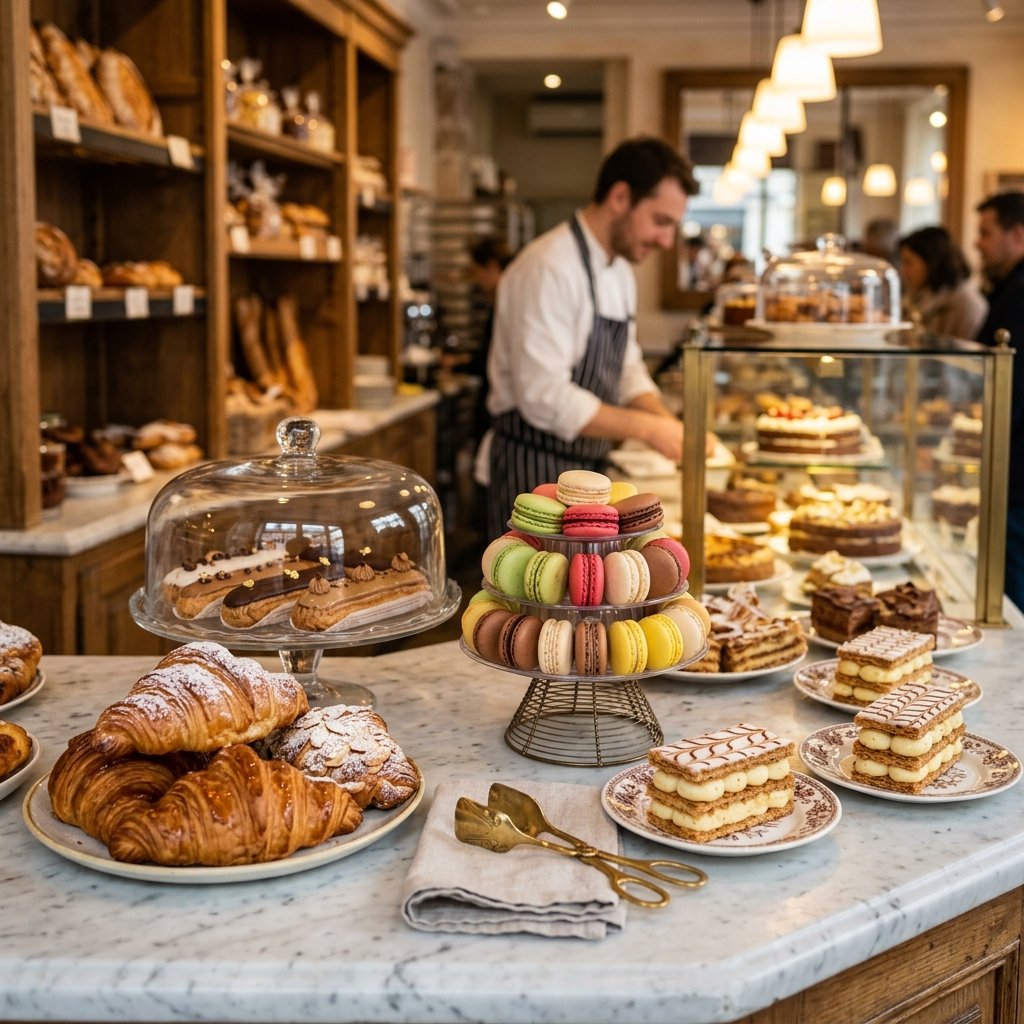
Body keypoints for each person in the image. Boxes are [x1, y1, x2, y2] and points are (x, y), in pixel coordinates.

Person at [485, 136, 699, 536]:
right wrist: (649, 429)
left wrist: (670, 423)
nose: (667, 241)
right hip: (533, 474)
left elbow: (627, 369)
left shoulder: (619, 270)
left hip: (588, 476)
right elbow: (544, 396)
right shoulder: (548, 267)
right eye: (661, 221)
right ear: (620, 197)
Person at [974, 191, 1024, 610]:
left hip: (1016, 457)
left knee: (1013, 566)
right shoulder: (1007, 286)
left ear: (1018, 235)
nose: (977, 243)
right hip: (1008, 449)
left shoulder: (1018, 293)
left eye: (986, 233)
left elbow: (1010, 381)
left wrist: (984, 443)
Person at [898, 225, 987, 339]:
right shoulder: (919, 295)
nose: (903, 270)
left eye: (909, 262)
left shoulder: (964, 302)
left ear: (931, 261)